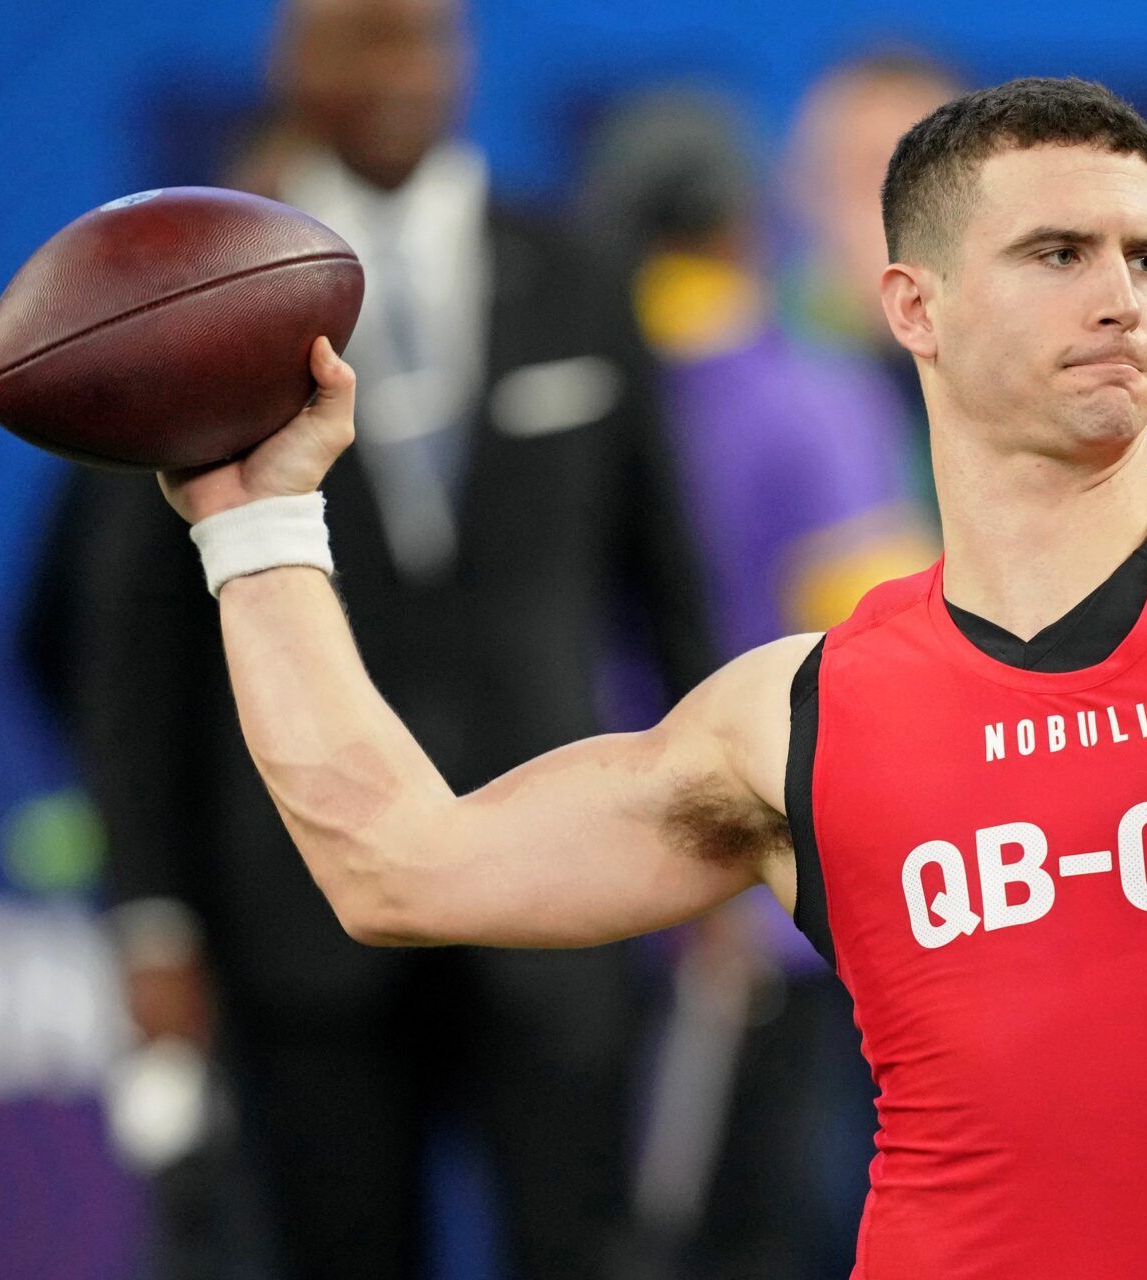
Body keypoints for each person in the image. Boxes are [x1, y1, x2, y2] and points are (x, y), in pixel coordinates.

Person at [151, 78, 1147, 1278]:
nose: (1122, 295)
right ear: (915, 307)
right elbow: (399, 867)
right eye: (1058, 253)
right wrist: (258, 515)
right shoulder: (800, 714)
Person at [71, 0, 716, 1276]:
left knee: (578, 1248)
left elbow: (670, 584)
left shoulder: (577, 268)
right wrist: (151, 911)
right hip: (296, 907)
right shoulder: (190, 304)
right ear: (288, 66)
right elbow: (128, 647)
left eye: (423, 38)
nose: (400, 72)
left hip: (562, 889)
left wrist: (722, 845)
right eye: (361, 39)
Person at [574, 91, 930, 1275]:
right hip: (773, 917)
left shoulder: (560, 409)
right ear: (741, 225)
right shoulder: (812, 403)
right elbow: (887, 661)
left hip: (580, 899)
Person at [779, 50, 965, 521]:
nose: (900, 218)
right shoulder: (741, 393)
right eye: (866, 178)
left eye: (929, 185)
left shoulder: (1021, 386)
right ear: (804, 195)